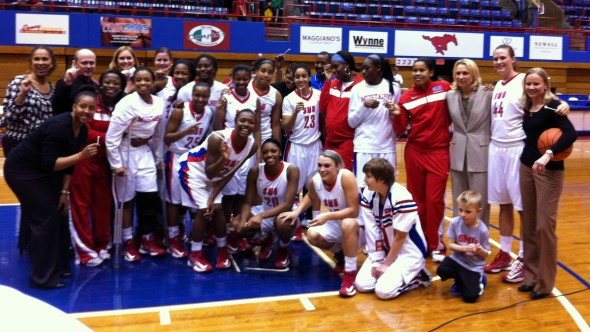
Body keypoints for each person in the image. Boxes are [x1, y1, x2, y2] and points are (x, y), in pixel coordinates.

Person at [487, 45, 570, 283]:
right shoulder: (495, 87)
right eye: (495, 59)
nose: (499, 62)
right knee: (502, 204)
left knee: (523, 208)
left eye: (503, 58)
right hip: (496, 148)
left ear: (513, 59)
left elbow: (547, 97)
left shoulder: (524, 80)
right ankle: (504, 252)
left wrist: (564, 104)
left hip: (517, 148)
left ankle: (524, 256)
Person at [4, 89, 100, 289]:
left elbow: (69, 165)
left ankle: (59, 266)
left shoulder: (81, 129)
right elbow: (50, 164)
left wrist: (64, 192)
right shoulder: (58, 126)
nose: (86, 111)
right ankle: (42, 278)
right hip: (22, 171)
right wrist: (82, 156)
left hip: (43, 171)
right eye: (83, 106)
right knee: (45, 218)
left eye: (91, 108)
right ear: (74, 106)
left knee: (60, 211)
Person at [518, 68, 577, 300]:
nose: (531, 87)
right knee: (529, 225)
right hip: (526, 168)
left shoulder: (554, 108)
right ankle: (531, 277)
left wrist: (549, 153)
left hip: (549, 172)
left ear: (545, 85)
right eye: (528, 84)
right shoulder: (527, 108)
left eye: (536, 84)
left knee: (545, 226)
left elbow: (570, 134)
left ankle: (545, 283)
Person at [179, 109, 258, 272]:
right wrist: (224, 158)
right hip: (192, 170)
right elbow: (209, 172)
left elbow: (231, 171)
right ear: (235, 122)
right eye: (242, 120)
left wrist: (213, 195)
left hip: (215, 177)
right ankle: (194, 254)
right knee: (203, 210)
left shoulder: (252, 146)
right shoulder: (218, 138)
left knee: (218, 208)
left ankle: (222, 250)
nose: (246, 125)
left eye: (251, 122)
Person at [277, 150, 361, 298]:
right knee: (312, 234)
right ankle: (340, 253)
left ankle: (350, 275)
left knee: (347, 223)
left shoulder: (346, 177)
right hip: (337, 221)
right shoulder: (316, 180)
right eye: (319, 165)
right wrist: (296, 212)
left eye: (327, 166)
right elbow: (311, 195)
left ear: (338, 166)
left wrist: (328, 216)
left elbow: (354, 211)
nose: (322, 169)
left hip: (359, 225)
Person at [105, 67, 166, 263]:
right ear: (133, 81)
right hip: (125, 153)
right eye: (138, 80)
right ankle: (128, 241)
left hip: (144, 153)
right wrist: (116, 164)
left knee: (149, 198)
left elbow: (158, 134)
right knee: (127, 201)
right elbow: (111, 137)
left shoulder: (159, 103)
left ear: (153, 80)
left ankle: (146, 238)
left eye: (147, 79)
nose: (143, 83)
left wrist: (158, 158)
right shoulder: (126, 104)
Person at [394, 58, 451, 262]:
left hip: (438, 152)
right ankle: (422, 243)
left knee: (434, 200)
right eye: (414, 70)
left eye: (422, 70)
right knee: (417, 202)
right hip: (415, 152)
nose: (417, 74)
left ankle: (436, 245)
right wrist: (396, 114)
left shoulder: (444, 88)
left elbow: (459, 103)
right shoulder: (406, 97)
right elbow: (400, 129)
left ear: (431, 72)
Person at [69, 70, 126, 267]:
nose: (111, 86)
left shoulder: (123, 105)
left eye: (116, 83)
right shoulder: (91, 102)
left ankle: (103, 245)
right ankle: (85, 251)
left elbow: (128, 131)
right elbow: (86, 131)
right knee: (81, 207)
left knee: (103, 208)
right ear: (100, 83)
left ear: (121, 86)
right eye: (107, 82)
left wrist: (106, 134)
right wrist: (113, 136)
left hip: (106, 163)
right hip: (84, 161)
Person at [355, 158, 431, 300]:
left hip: (408, 252)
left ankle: (417, 275)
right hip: (385, 248)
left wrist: (386, 265)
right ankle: (395, 276)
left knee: (383, 292)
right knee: (362, 285)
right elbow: (372, 230)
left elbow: (400, 237)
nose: (365, 180)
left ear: (382, 179)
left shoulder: (402, 197)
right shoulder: (368, 194)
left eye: (369, 176)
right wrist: (377, 260)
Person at [164, 81, 214, 258]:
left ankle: (195, 233)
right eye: (197, 95)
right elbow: (167, 138)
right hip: (175, 157)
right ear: (191, 95)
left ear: (209, 97)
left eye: (204, 96)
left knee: (194, 200)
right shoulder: (180, 110)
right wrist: (185, 132)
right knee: (174, 201)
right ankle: (173, 238)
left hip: (192, 159)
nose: (200, 99)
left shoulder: (208, 112)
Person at [232, 138, 300, 268]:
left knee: (283, 224)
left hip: (286, 213)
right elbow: (247, 202)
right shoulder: (255, 171)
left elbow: (287, 205)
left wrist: (261, 216)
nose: (269, 155)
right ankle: (266, 240)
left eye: (273, 151)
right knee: (236, 225)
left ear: (280, 152)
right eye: (265, 152)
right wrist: (243, 220)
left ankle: (283, 248)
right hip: (265, 209)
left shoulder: (291, 170)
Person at [214, 65, 259, 244]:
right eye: (238, 78)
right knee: (228, 195)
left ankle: (238, 232)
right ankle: (225, 233)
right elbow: (218, 127)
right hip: (230, 150)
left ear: (250, 79)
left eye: (245, 79)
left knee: (243, 194)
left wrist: (258, 156)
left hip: (247, 150)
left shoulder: (255, 99)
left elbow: (257, 129)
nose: (241, 82)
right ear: (232, 78)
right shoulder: (226, 97)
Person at [447, 59, 492, 225]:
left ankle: (480, 242)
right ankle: (460, 241)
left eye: (465, 73)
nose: (461, 76)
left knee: (479, 202)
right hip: (458, 153)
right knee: (460, 201)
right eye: (458, 73)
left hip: (480, 152)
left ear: (474, 74)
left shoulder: (488, 93)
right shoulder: (449, 95)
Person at [348, 54, 400, 189]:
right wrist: (363, 106)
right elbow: (351, 122)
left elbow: (398, 118)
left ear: (378, 68)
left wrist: (394, 111)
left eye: (367, 68)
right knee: (364, 189)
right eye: (362, 69)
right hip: (364, 146)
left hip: (387, 147)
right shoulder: (357, 89)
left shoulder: (393, 88)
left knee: (387, 188)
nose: (363, 72)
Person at [1, 46, 56, 157]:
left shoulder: (54, 89)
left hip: (40, 146)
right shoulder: (19, 82)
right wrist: (23, 94)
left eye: (45, 59)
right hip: (17, 143)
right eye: (36, 59)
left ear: (51, 63)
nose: (40, 62)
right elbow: (6, 119)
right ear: (31, 62)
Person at [437, 190, 490, 303]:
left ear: (478, 211)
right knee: (442, 270)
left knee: (470, 298)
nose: (462, 214)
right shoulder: (455, 222)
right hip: (458, 260)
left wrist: (480, 250)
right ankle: (460, 280)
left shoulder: (483, 230)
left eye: (468, 211)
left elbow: (487, 253)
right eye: (460, 210)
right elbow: (450, 244)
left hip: (473, 266)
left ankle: (480, 280)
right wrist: (464, 248)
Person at [282, 63, 322, 195]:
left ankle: (312, 215)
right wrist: (294, 113)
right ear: (293, 80)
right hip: (296, 146)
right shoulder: (289, 99)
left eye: (304, 76)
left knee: (314, 187)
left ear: (309, 77)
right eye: (297, 77)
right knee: (292, 186)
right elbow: (287, 127)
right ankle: (292, 215)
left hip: (314, 145)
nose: (301, 80)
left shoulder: (318, 95)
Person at [320, 50, 363, 172]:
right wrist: (328, 81)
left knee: (343, 179)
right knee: (328, 179)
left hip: (347, 143)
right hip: (330, 141)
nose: (333, 70)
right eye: (332, 67)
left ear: (347, 65)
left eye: (336, 66)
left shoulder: (360, 86)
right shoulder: (333, 83)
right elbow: (322, 107)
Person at [52, 48, 99, 115]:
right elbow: (56, 107)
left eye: (92, 63)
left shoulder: (96, 85)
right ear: (75, 64)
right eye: (84, 63)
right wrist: (67, 83)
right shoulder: (64, 83)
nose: (88, 66)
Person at [249, 58, 282, 143]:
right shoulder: (246, 88)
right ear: (256, 71)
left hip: (265, 139)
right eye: (263, 71)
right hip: (246, 137)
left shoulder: (276, 94)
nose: (266, 75)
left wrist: (277, 146)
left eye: (270, 72)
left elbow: (276, 125)